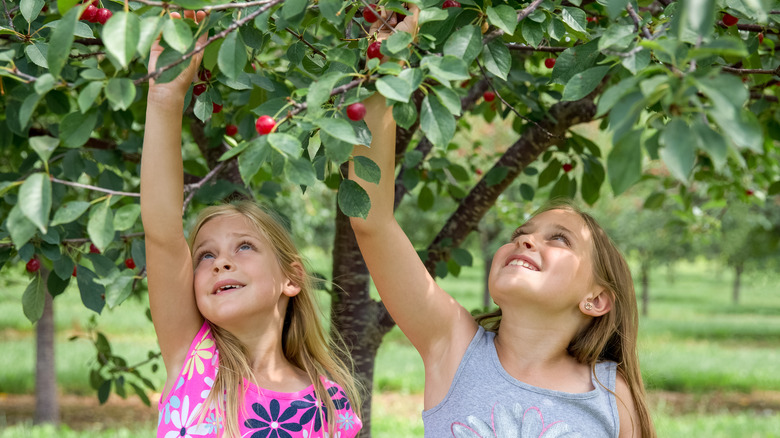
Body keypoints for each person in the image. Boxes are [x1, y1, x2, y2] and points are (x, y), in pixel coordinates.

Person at [349, 9, 655, 438]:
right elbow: (371, 219)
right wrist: (385, 64)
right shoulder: (453, 347)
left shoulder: (608, 393)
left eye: (559, 239)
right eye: (520, 234)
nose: (527, 241)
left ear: (597, 299)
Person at [141, 11, 362, 438]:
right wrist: (165, 98)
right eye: (205, 254)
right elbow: (163, 231)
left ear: (291, 277)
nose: (221, 262)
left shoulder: (330, 405)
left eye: (244, 247)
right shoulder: (193, 357)